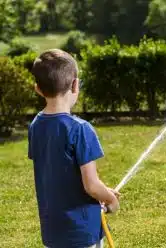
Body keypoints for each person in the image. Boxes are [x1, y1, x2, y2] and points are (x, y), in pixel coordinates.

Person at [28, 49, 119, 248]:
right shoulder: (80, 129)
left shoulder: (36, 126)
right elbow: (91, 185)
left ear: (38, 89)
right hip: (82, 232)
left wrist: (102, 192)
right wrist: (110, 199)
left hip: (53, 231)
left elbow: (59, 174)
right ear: (75, 85)